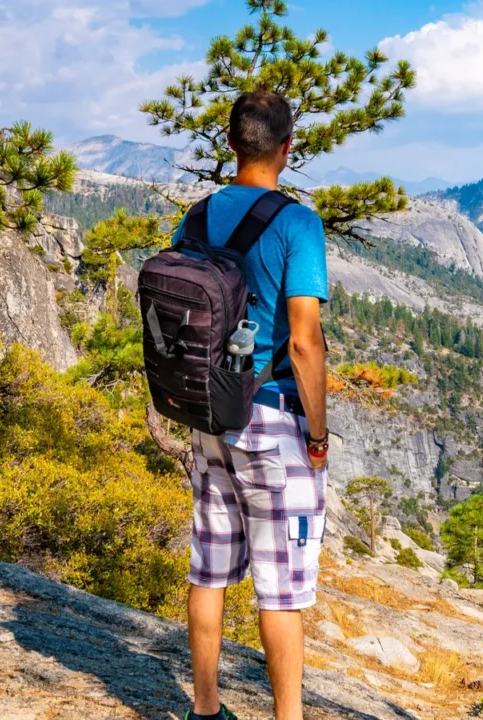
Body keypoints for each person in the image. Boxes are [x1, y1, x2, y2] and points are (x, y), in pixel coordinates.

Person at [180, 90, 331, 720]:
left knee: (209, 569)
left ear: (232, 143)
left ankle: (206, 710)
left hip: (208, 412)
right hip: (270, 418)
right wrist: (318, 436)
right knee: (281, 588)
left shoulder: (196, 217)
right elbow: (303, 342)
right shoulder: (297, 224)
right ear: (287, 149)